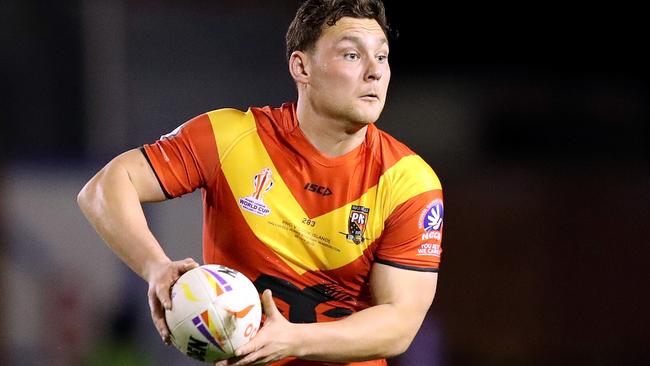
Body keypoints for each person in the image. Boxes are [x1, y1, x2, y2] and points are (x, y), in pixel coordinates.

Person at [77, 0, 444, 365]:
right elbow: (104, 187)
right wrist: (154, 267)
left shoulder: (409, 182)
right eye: (352, 55)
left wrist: (293, 340)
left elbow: (400, 324)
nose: (374, 72)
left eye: (381, 57)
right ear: (302, 67)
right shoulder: (231, 137)